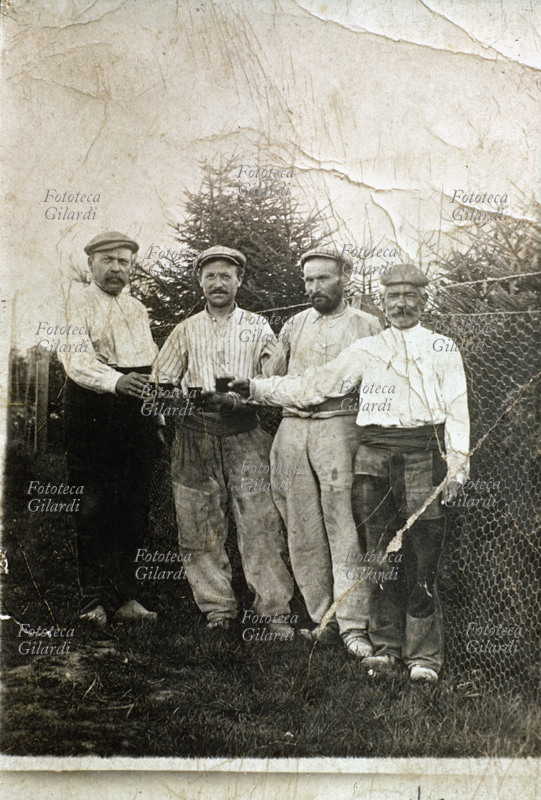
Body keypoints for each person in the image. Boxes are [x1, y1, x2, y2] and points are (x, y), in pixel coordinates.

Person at [231, 264, 470, 681]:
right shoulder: (368, 349)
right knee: (378, 556)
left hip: (422, 455)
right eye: (393, 296)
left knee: (424, 558)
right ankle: (387, 649)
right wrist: (254, 388)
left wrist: (458, 469)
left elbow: (458, 412)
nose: (401, 304)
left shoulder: (443, 348)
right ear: (382, 301)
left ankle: (424, 659)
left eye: (410, 296)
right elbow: (315, 384)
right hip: (373, 457)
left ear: (423, 301)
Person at [152, 245, 294, 637]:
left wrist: (248, 388)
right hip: (195, 434)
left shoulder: (257, 325)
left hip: (244, 431)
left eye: (225, 276)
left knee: (261, 524)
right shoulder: (185, 329)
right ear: (200, 281)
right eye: (210, 276)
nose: (218, 283)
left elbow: (274, 378)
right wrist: (172, 415)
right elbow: (161, 378)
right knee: (199, 526)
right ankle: (217, 610)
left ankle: (274, 612)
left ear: (239, 281)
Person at [258, 246, 382, 657]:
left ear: (344, 276)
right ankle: (321, 619)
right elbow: (271, 377)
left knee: (344, 526)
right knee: (302, 527)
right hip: (293, 430)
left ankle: (353, 627)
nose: (314, 287)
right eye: (308, 280)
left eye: (323, 278)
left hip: (339, 428)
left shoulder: (366, 325)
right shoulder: (294, 324)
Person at [58, 232, 160, 626]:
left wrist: (157, 418)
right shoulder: (75, 301)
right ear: (91, 264)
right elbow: (75, 358)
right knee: (93, 503)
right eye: (108, 260)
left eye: (124, 262)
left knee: (133, 505)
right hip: (92, 407)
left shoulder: (137, 308)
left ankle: (126, 597)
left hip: (134, 410)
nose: (117, 268)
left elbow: (150, 365)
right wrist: (115, 381)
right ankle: (92, 602)